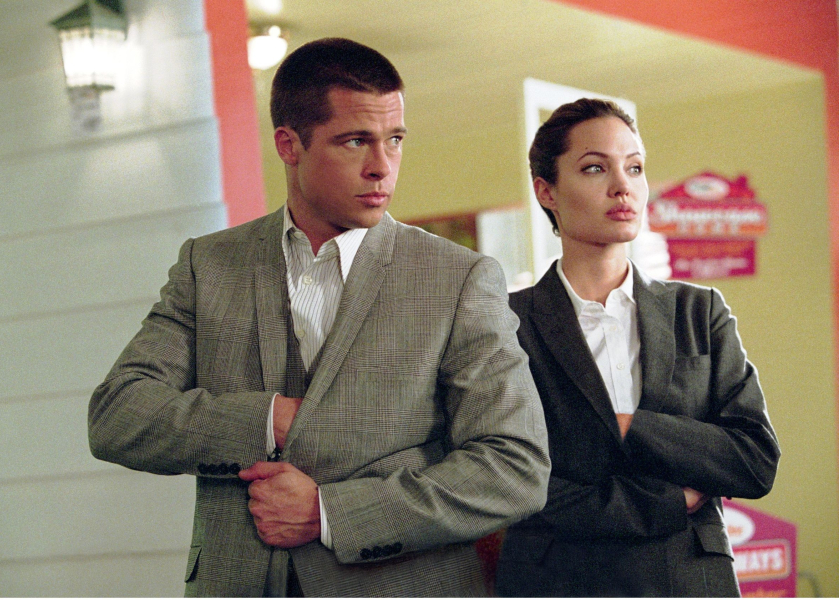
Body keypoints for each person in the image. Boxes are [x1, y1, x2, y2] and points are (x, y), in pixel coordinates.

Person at [88, 38, 550, 597]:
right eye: (355, 141)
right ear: (289, 144)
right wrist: (268, 421)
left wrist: (331, 513)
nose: (382, 167)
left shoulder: (458, 277)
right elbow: (118, 415)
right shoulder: (208, 264)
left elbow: (514, 468)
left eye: (395, 140)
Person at [494, 98, 780, 597]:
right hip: (560, 581)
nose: (622, 186)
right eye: (594, 168)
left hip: (690, 581)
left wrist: (629, 425)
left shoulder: (700, 311)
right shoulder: (505, 323)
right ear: (547, 190)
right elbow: (512, 484)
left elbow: (754, 460)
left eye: (634, 167)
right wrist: (669, 499)